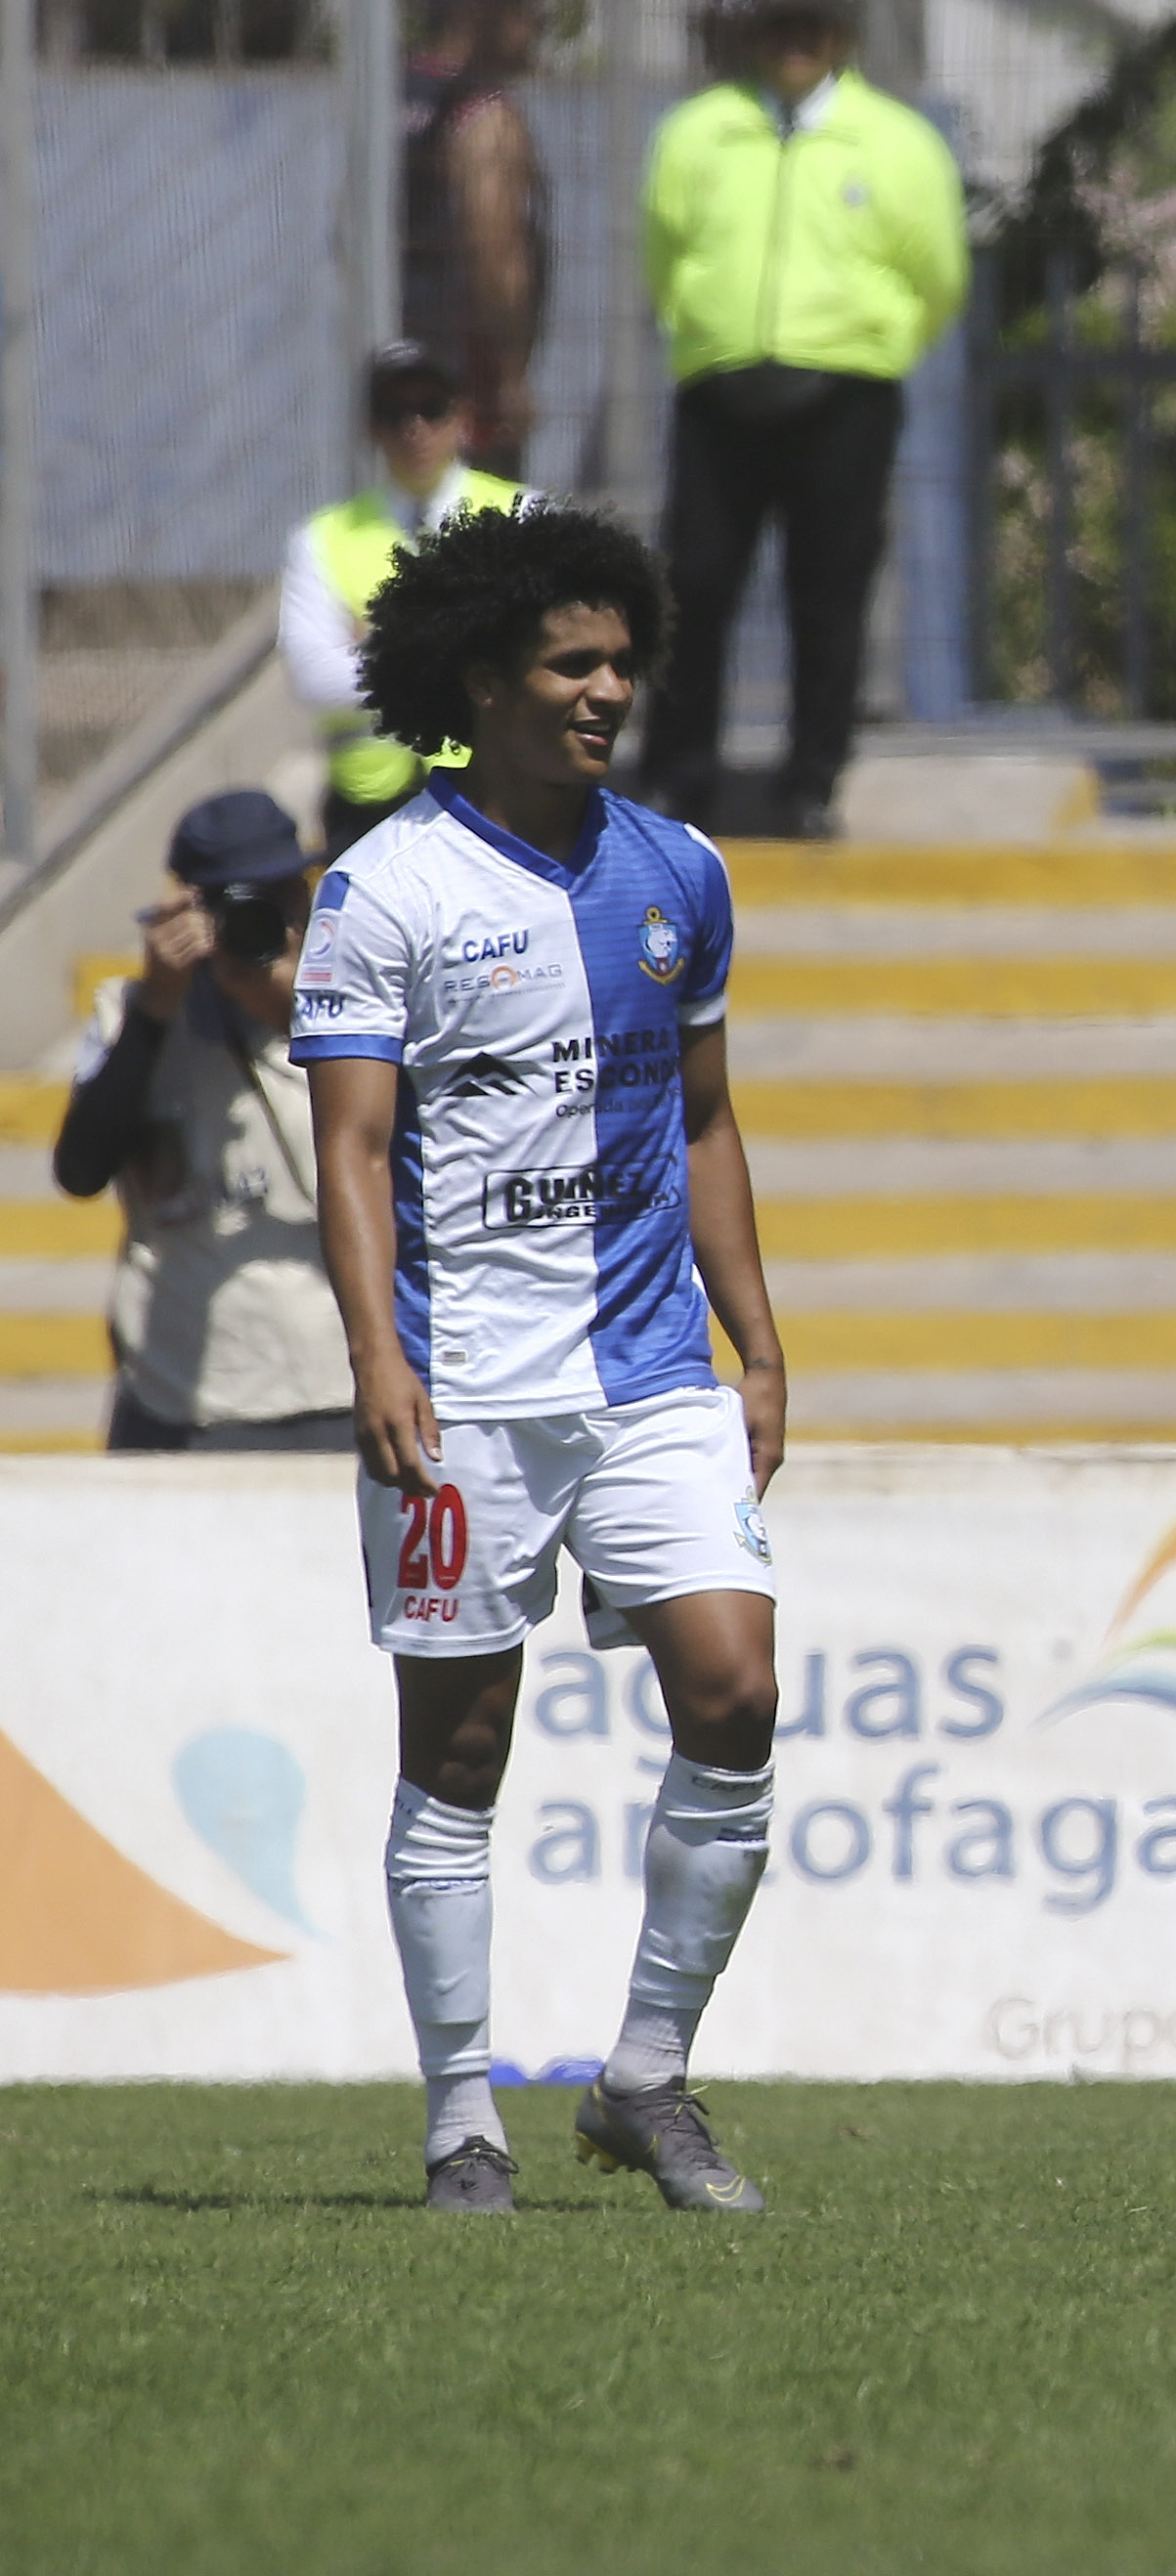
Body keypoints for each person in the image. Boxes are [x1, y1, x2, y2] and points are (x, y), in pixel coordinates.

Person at [293, 502, 792, 2216]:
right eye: (574, 661)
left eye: (622, 661)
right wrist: (376, 1351)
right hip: (464, 1385)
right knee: (459, 1750)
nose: (608, 690)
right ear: (486, 675)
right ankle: (460, 2119)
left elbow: (708, 1119)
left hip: (652, 1366)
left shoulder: (681, 871)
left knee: (735, 1692)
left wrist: (763, 1341)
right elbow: (351, 1152)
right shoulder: (385, 892)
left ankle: (644, 2077)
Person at [636, 0, 966, 839]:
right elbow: (663, 253)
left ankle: (811, 780)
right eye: (781, 27)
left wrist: (876, 340)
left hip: (843, 392)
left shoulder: (894, 141)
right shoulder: (698, 134)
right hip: (722, 385)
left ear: (841, 38)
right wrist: (706, 327)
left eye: (812, 28)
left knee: (828, 590)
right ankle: (677, 776)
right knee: (694, 583)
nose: (796, 44)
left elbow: (937, 271)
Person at [54, 790, 351, 1452]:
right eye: (237, 903)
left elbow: (410, 1145)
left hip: (341, 1385)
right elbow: (79, 1169)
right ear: (190, 908)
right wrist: (157, 1009)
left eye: (280, 898)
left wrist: (294, 1011)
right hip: (183, 1398)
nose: (261, 923)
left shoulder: (355, 1010)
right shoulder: (129, 1012)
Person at [282, 341, 527, 854]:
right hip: (369, 811)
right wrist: (464, 643)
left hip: (493, 798)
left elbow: (530, 656)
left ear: (460, 416)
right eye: (395, 413)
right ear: (372, 428)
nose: (414, 427)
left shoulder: (521, 516)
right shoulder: (322, 537)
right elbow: (315, 680)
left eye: (431, 409)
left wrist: (380, 641)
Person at [400, 0, 550, 480]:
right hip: (466, 386)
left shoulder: (397, 98)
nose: (537, 20)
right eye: (519, 5)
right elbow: (497, 249)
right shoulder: (482, 112)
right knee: (482, 553)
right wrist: (510, 378)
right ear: (476, 11)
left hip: (397, 370)